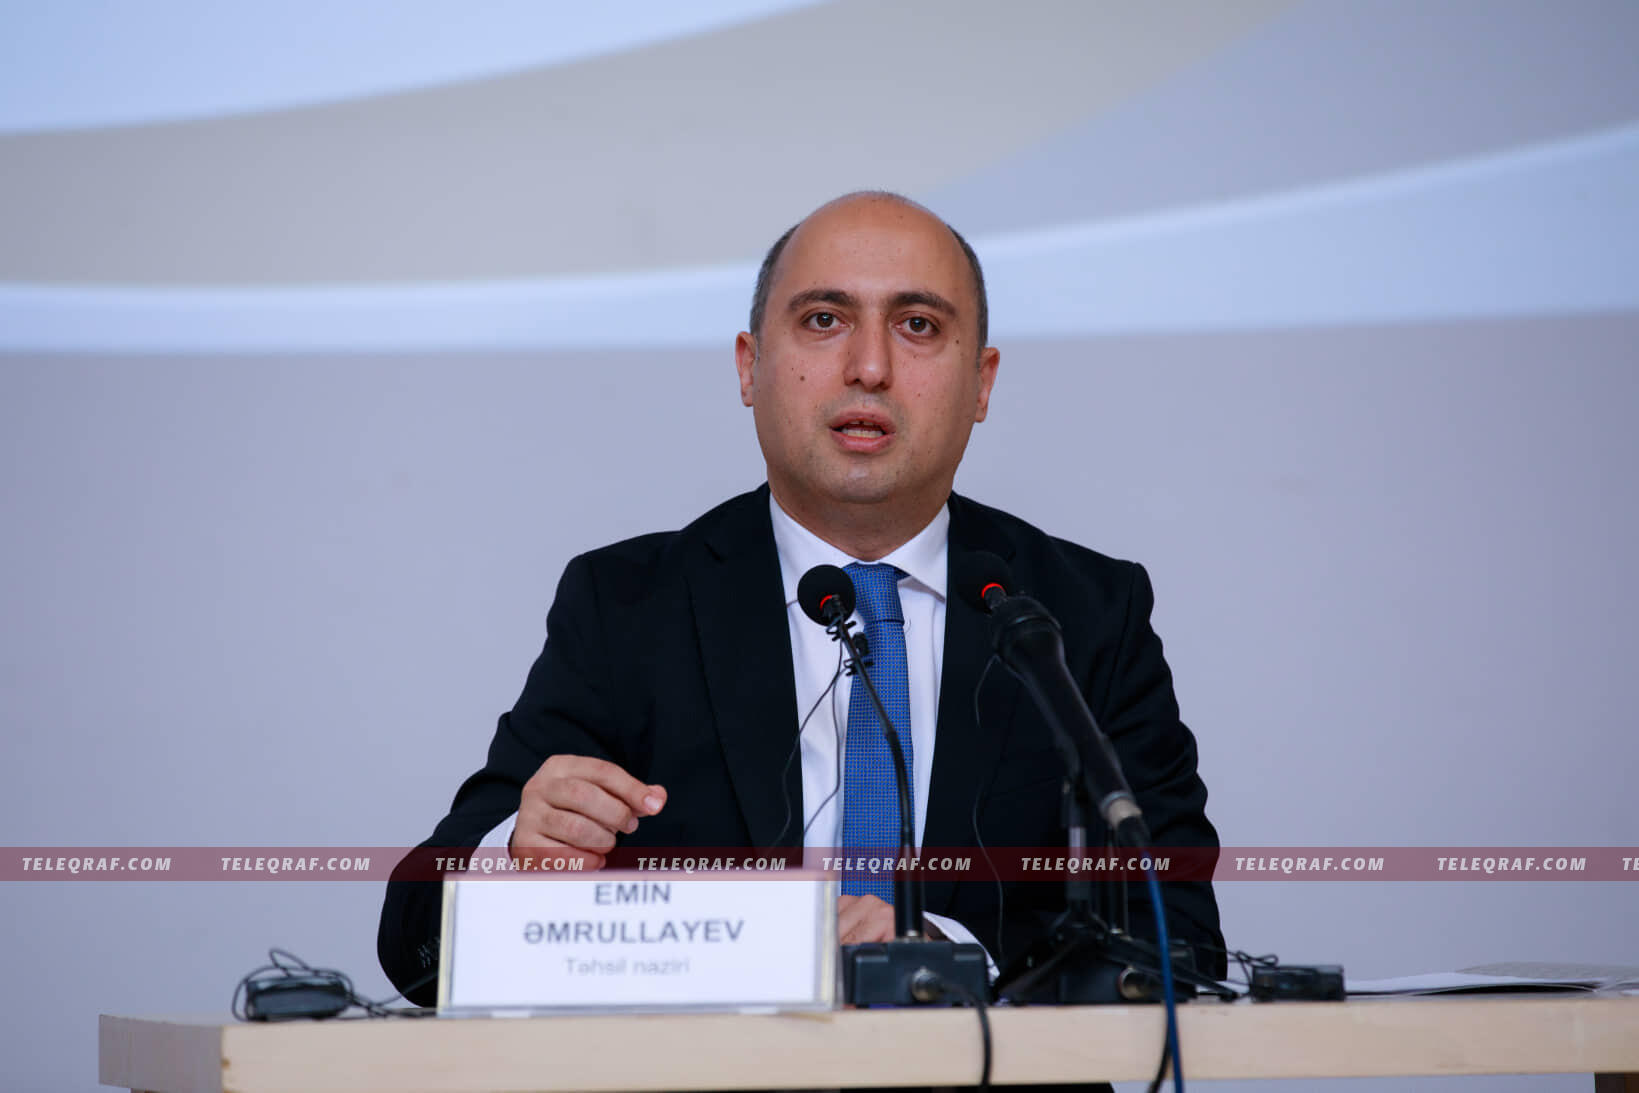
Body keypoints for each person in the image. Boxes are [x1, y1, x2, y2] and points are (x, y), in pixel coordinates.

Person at [378, 192, 1223, 1004]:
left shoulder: (1079, 614)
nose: (868, 367)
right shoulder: (628, 606)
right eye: (824, 319)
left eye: (918, 325)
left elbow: (1179, 940)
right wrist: (515, 856)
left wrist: (944, 954)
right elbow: (416, 948)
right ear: (750, 366)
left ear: (981, 383)